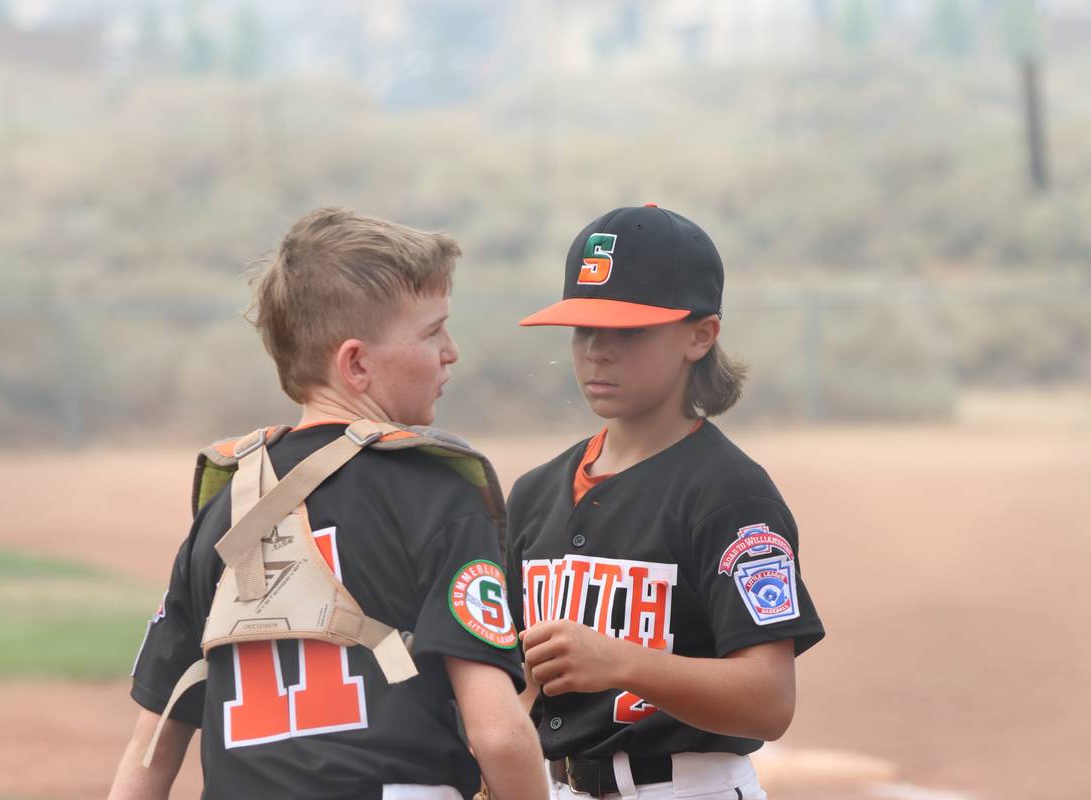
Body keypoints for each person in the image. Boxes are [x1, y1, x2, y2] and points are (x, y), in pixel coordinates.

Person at [108, 208, 549, 800]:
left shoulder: (225, 510)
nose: (452, 351)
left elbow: (151, 747)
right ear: (357, 364)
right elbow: (497, 733)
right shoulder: (438, 494)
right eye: (432, 331)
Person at [507, 204, 825, 799]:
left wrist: (624, 662)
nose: (597, 350)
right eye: (584, 327)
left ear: (701, 335)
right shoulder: (534, 493)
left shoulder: (731, 495)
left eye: (628, 330)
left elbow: (770, 701)